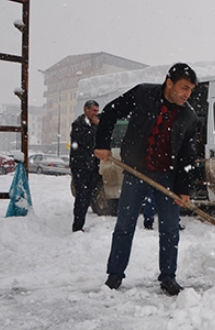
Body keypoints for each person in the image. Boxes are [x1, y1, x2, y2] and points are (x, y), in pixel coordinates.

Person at [94, 63, 198, 295]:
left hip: (167, 176)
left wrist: (183, 189)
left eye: (190, 90)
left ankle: (168, 277)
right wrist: (102, 144)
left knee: (170, 230)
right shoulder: (142, 94)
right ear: (169, 83)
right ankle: (114, 275)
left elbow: (187, 155)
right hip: (135, 172)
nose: (187, 94)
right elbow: (110, 112)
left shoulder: (188, 116)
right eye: (183, 88)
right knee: (124, 225)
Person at [69, 100, 101, 232]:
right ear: (86, 110)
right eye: (93, 111)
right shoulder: (78, 124)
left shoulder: (96, 124)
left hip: (93, 166)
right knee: (81, 196)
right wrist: (95, 127)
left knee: (88, 196)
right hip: (81, 166)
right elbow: (85, 141)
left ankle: (80, 222)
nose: (95, 114)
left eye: (97, 111)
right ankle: (77, 226)